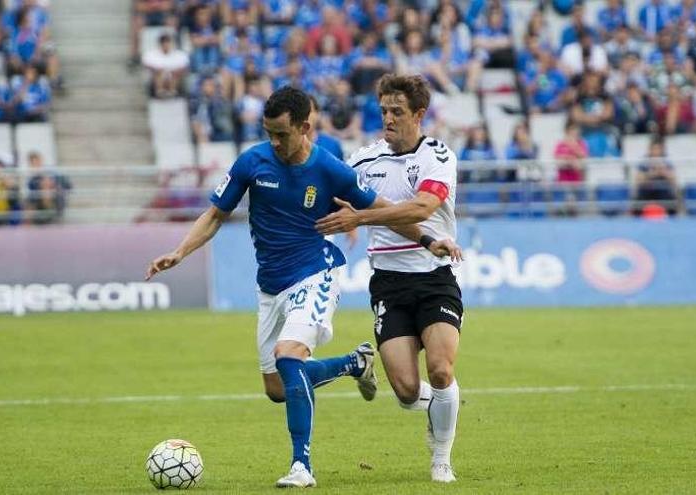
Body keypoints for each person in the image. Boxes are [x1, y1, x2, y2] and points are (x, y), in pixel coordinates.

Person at [145, 86, 459, 488]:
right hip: (270, 287)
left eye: (280, 133)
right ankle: (353, 364)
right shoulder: (252, 162)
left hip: (316, 274)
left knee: (289, 355)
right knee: (277, 387)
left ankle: (301, 466)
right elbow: (215, 214)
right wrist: (180, 251)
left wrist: (429, 241)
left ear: (304, 127)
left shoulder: (330, 170)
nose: (273, 141)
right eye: (268, 133)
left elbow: (382, 211)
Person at [315, 74, 464, 483]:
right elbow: (335, 196)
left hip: (434, 277)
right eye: (383, 110)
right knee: (404, 390)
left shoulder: (438, 156)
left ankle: (441, 459)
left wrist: (360, 216)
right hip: (389, 284)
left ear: (419, 114)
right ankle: (445, 403)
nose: (388, 118)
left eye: (397, 111)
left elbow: (421, 208)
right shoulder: (364, 160)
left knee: (440, 369)